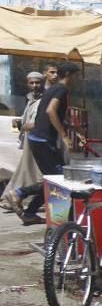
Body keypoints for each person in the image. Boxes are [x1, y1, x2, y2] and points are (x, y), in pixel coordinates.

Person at [17, 62, 79, 225]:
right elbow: (50, 111)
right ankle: (20, 193)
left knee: (53, 178)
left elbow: (48, 114)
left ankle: (30, 213)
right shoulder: (61, 89)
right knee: (59, 179)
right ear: (69, 75)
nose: (76, 79)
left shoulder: (51, 89)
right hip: (43, 140)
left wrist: (69, 126)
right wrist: (64, 135)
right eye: (75, 76)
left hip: (38, 138)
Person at [1, 72, 45, 213]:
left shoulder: (45, 99)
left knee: (30, 171)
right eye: (31, 83)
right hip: (31, 138)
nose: (34, 86)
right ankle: (14, 197)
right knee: (28, 170)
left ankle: (13, 197)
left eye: (37, 83)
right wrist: (22, 123)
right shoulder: (30, 99)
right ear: (28, 84)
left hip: (39, 138)